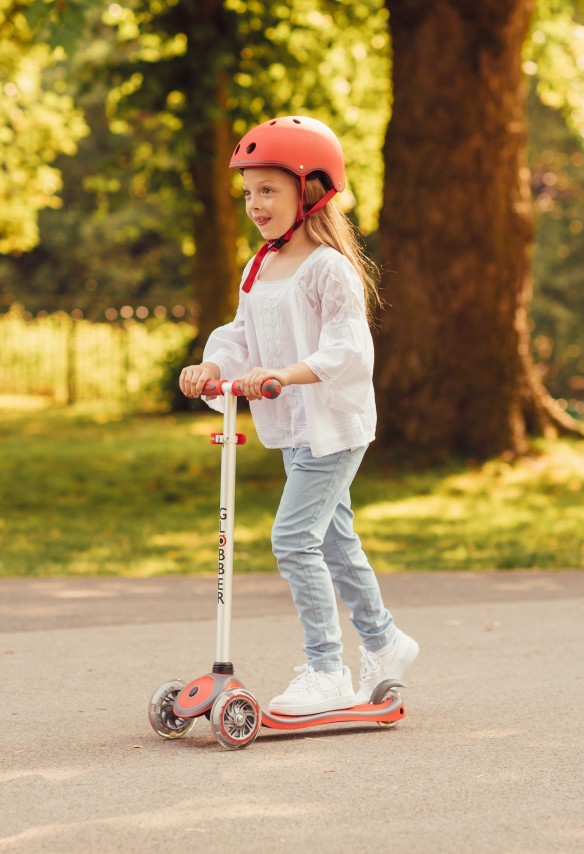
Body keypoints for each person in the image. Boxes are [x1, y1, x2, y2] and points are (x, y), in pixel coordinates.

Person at [179, 116, 418, 715]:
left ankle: (325, 669)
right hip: (293, 428)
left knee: (292, 539)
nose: (254, 205)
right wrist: (213, 367)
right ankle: (386, 643)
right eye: (247, 193)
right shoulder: (258, 267)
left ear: (310, 190)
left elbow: (347, 347)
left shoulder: (328, 268)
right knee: (335, 539)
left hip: (332, 425)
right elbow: (240, 335)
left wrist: (286, 375)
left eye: (268, 190)